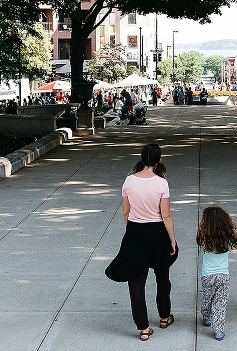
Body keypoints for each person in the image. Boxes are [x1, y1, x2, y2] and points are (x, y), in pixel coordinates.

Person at [106, 144, 178, 341]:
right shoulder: (161, 183)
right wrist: (172, 240)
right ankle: (164, 317)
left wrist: (132, 230)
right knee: (162, 278)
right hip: (157, 235)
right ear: (158, 160)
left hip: (135, 233)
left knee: (136, 283)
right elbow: (166, 215)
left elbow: (126, 212)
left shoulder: (128, 181)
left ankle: (144, 328)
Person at [197, 206, 237, 341]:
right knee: (220, 303)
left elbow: (200, 237)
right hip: (223, 276)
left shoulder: (203, 237)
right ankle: (218, 330)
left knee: (207, 298)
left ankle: (207, 317)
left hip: (207, 276)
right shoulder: (228, 237)